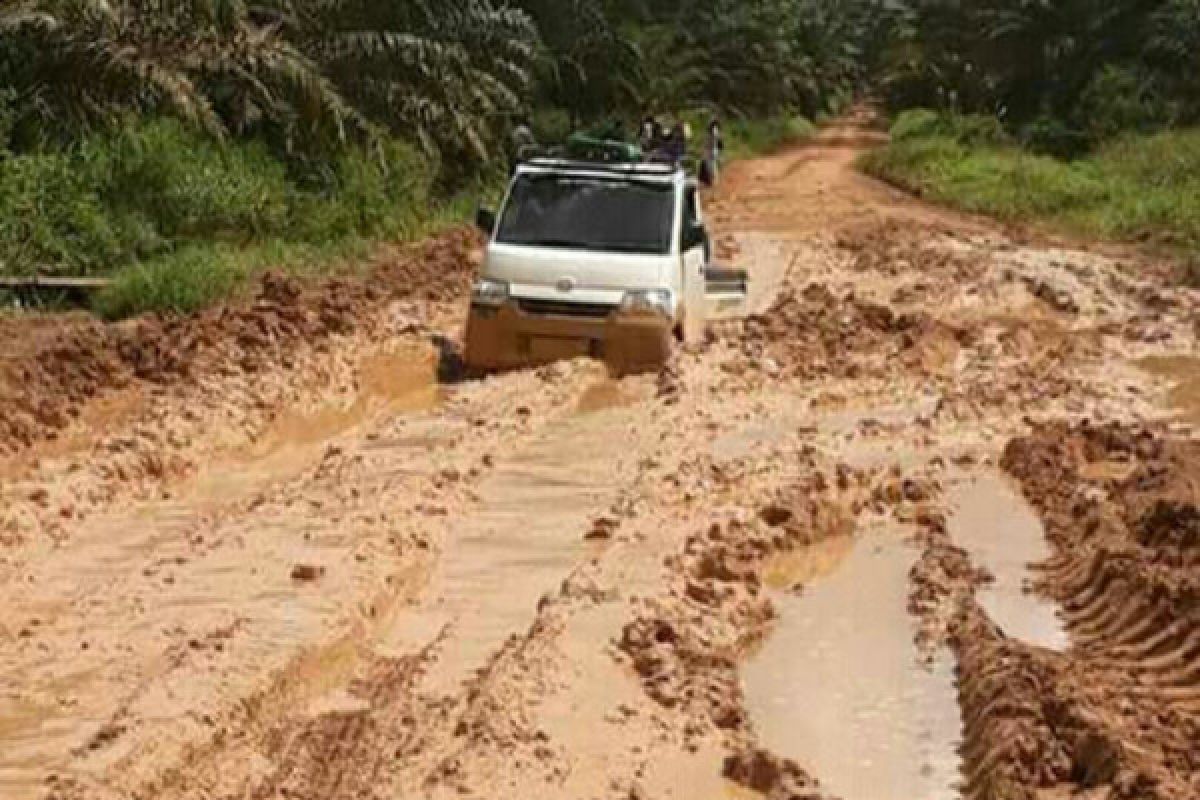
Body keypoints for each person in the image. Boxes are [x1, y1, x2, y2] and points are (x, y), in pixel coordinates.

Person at [705, 114, 723, 185]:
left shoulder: (714, 129)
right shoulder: (715, 130)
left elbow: (716, 139)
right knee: (713, 163)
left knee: (712, 164)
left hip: (712, 148)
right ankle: (714, 179)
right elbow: (718, 139)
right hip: (713, 148)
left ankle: (714, 179)